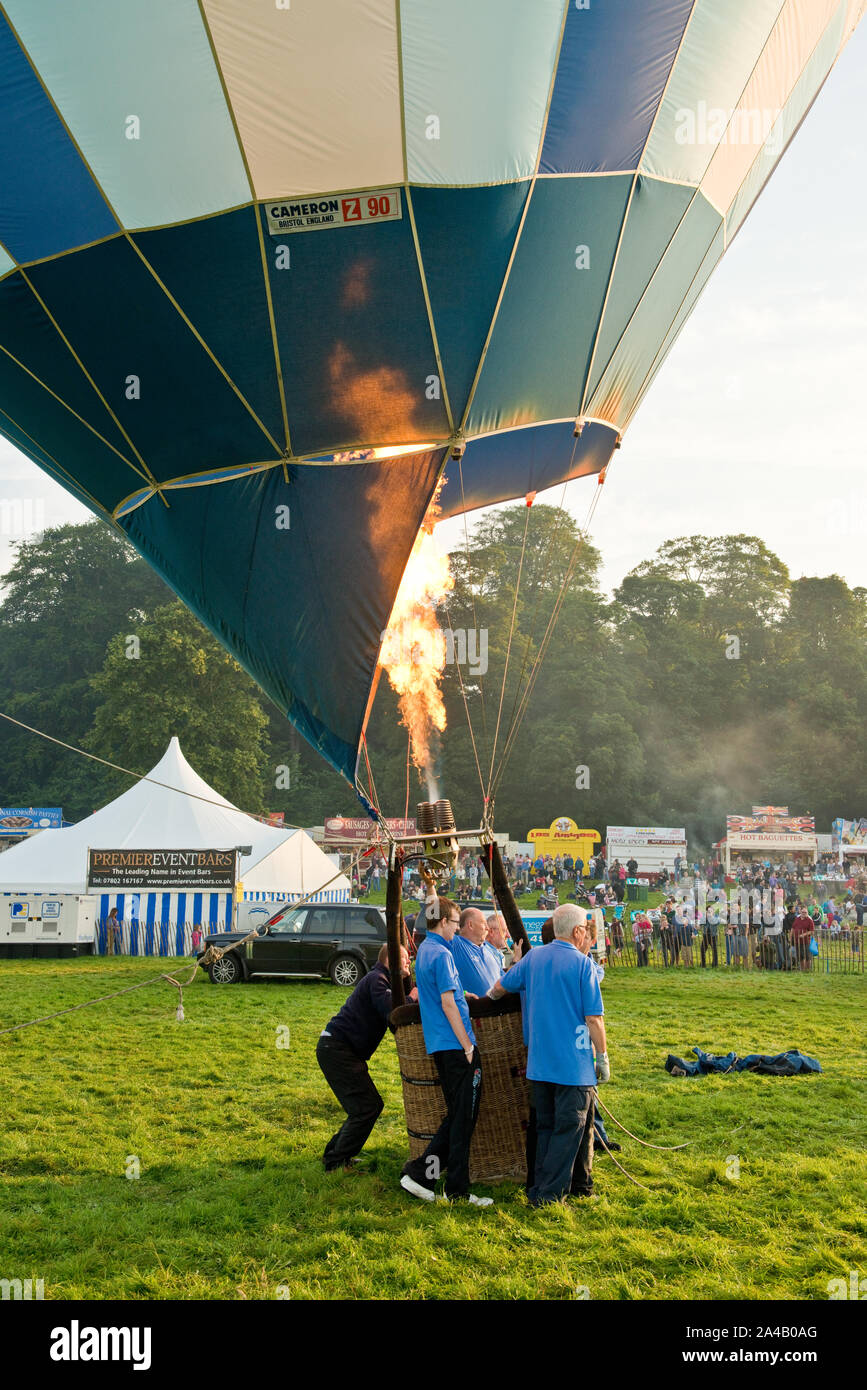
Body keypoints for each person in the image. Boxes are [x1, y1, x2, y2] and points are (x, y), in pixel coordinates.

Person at [489, 904, 608, 1207]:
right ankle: (548, 1197)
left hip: (540, 1065)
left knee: (545, 1128)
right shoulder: (583, 965)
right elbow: (595, 1019)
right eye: (585, 929)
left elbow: (501, 987)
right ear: (578, 931)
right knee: (568, 1131)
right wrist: (603, 1057)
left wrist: (486, 999)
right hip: (574, 1066)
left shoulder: (533, 958)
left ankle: (541, 1188)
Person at [399, 881, 492, 1207]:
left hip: (440, 1043)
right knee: (463, 1117)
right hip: (456, 1045)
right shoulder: (442, 954)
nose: (457, 928)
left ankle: (425, 1176)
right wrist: (468, 1046)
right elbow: (448, 1003)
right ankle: (451, 1188)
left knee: (456, 1115)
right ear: (443, 922)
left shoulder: (426, 949)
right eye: (454, 922)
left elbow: (443, 996)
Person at [317, 944, 414, 1172]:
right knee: (366, 1107)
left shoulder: (383, 979)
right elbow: (393, 1012)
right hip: (338, 1049)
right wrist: (411, 997)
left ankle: (335, 1154)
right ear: (391, 960)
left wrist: (407, 986)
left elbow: (395, 1009)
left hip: (341, 1049)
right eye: (404, 958)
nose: (409, 961)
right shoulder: (377, 979)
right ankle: (336, 1161)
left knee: (365, 1106)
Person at [449, 908, 502, 995]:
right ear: (470, 925)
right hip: (475, 1007)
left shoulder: (490, 951)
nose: (487, 928)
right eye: (484, 923)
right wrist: (431, 894)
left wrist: (515, 962)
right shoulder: (456, 944)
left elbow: (505, 981)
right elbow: (435, 923)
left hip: (499, 1007)